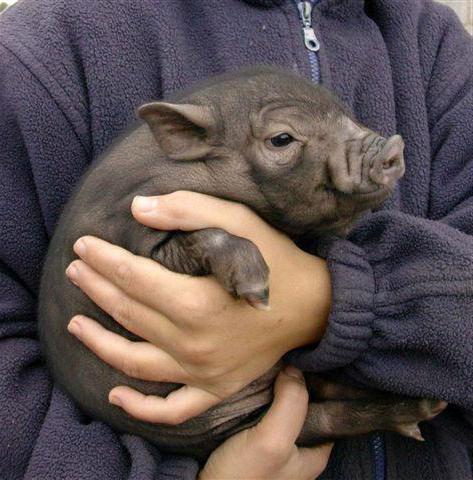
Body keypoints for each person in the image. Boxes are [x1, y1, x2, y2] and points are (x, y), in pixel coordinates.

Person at [1, 0, 472, 478]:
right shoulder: (50, 47)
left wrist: (329, 300)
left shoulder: (431, 46)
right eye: (284, 141)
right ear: (182, 134)